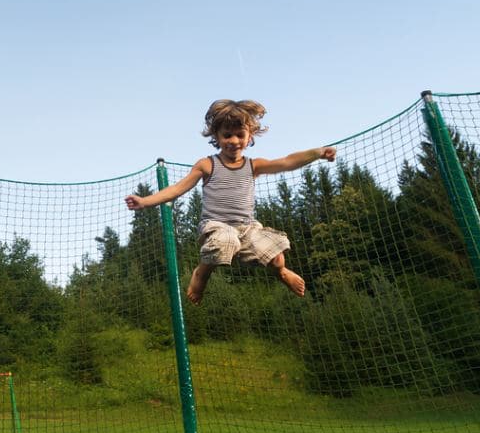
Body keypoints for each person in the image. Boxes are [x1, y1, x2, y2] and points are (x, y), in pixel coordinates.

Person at [125, 99, 336, 305]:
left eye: (239, 135)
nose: (233, 140)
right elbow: (177, 189)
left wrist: (317, 153)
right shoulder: (207, 165)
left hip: (246, 228)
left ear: (249, 136)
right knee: (227, 240)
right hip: (216, 226)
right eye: (227, 135)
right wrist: (145, 201)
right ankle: (202, 273)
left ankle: (281, 273)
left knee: (277, 257)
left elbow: (287, 162)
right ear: (216, 136)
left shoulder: (254, 166)